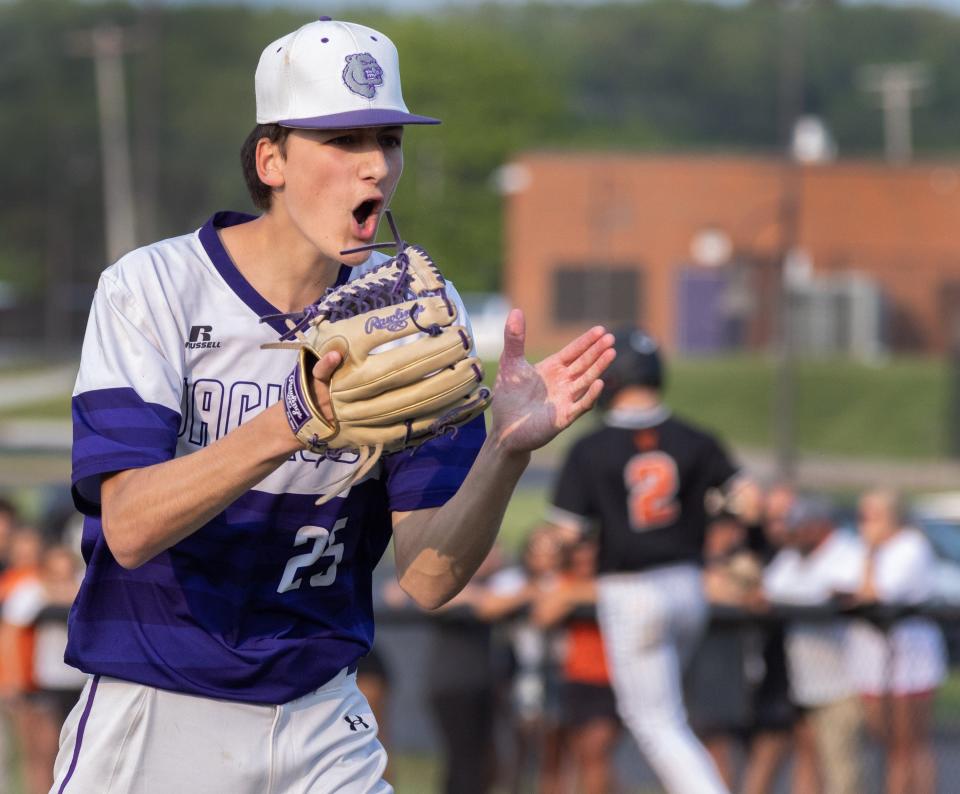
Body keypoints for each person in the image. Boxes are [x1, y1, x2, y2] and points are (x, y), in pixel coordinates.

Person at [55, 17, 614, 794]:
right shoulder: (152, 287)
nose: (374, 168)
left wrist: (505, 451)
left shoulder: (417, 311)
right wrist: (292, 421)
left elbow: (424, 577)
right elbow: (130, 527)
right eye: (342, 142)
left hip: (323, 715)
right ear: (271, 159)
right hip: (160, 703)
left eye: (386, 140)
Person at [548, 328, 760, 794]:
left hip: (632, 590)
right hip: (689, 585)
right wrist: (713, 510)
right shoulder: (696, 438)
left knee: (657, 725)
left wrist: (556, 550)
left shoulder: (591, 448)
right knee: (669, 718)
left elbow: (567, 535)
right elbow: (749, 502)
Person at [762, 495, 864, 794]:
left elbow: (830, 594)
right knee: (808, 762)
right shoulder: (794, 555)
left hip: (845, 683)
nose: (792, 534)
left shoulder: (848, 552)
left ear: (820, 526)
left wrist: (795, 597)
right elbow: (770, 589)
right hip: (806, 683)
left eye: (799, 526)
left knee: (842, 770)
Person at [847, 488, 946, 794]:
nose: (865, 523)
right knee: (888, 742)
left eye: (872, 516)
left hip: (909, 660)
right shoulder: (865, 547)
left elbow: (876, 592)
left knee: (908, 746)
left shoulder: (911, 547)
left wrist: (871, 553)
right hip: (874, 661)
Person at [475, 526, 567, 794]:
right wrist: (530, 593)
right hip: (520, 669)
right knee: (518, 745)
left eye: (552, 550)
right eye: (538, 549)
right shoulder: (513, 580)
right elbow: (488, 606)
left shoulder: (569, 580)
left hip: (562, 668)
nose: (544, 557)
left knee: (555, 749)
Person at [531, 536, 621, 794]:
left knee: (595, 751)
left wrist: (575, 595)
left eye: (592, 562)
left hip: (612, 678)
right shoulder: (566, 583)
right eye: (579, 561)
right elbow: (542, 615)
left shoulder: (617, 582)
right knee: (576, 756)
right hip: (574, 677)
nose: (586, 567)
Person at [2, 544, 85, 794]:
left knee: (74, 754)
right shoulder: (30, 593)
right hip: (46, 683)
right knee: (43, 754)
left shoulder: (85, 588)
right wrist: (12, 679)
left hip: (79, 684)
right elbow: (10, 635)